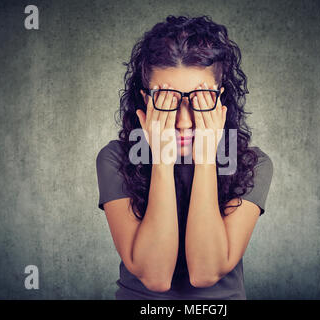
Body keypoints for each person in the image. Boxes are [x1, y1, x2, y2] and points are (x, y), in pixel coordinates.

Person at [96, 15, 273, 300]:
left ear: (220, 101)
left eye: (199, 101)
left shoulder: (250, 163)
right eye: (167, 101)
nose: (183, 121)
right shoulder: (115, 159)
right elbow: (155, 278)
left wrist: (205, 159)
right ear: (145, 100)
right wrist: (161, 161)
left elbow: (206, 272)